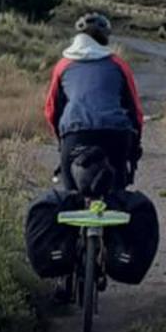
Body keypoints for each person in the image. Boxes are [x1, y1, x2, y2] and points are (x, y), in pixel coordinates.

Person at [44, 11, 144, 198]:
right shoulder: (118, 64)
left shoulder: (63, 65)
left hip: (75, 134)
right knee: (117, 195)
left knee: (71, 197)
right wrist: (135, 144)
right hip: (116, 133)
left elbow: (51, 111)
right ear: (104, 39)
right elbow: (135, 111)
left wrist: (62, 140)